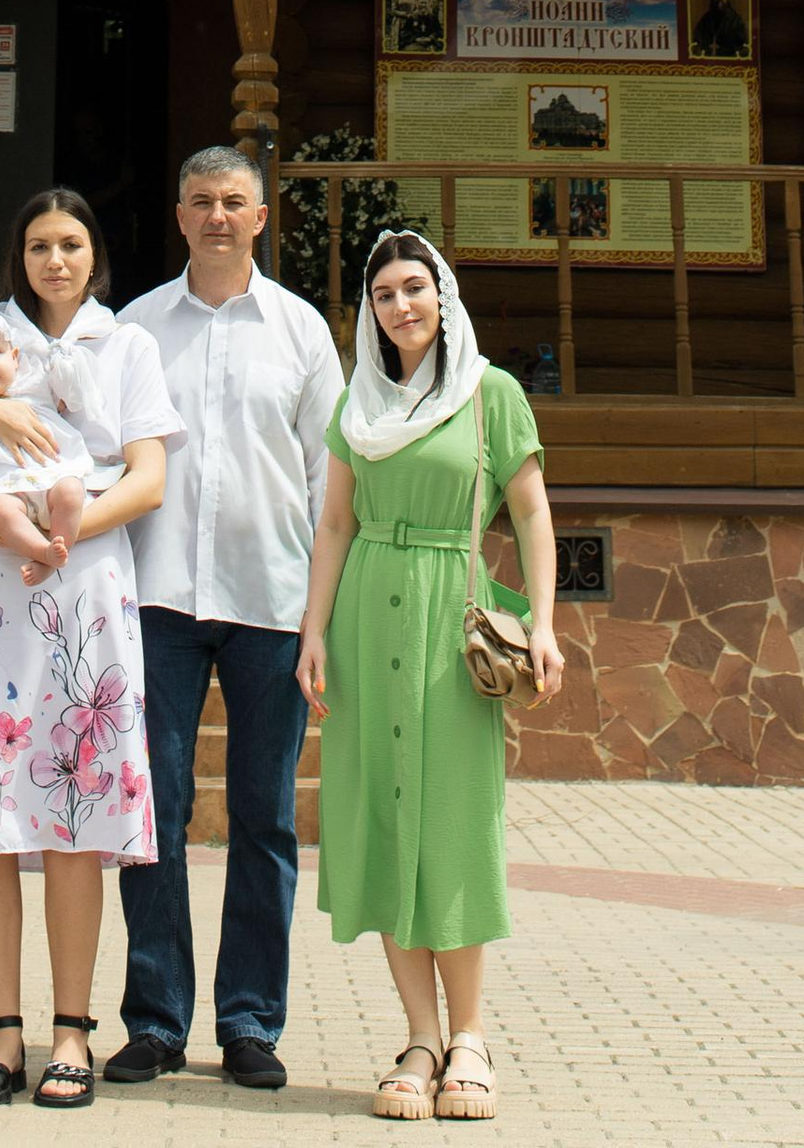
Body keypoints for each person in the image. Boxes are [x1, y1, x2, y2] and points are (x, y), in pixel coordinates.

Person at [0, 187, 181, 1110]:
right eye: (38, 246)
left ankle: (72, 1030)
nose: (54, 261)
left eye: (70, 244)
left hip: (85, 583)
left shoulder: (128, 344)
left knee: (76, 809)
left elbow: (148, 479)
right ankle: (1, 1031)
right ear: (19, 258)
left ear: (93, 254)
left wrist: (64, 536)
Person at [296, 229, 563, 1126]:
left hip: (453, 619)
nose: (400, 306)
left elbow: (533, 515)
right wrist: (313, 630)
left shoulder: (492, 395)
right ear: (369, 312)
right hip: (366, 619)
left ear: (442, 298)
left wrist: (545, 624)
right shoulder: (358, 403)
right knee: (381, 822)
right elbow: (336, 525)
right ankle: (419, 1038)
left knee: (452, 824)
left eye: (415, 288)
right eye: (384, 295)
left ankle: (471, 1036)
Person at [109, 142, 343, 1093]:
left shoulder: (302, 331)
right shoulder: (134, 330)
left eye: (233, 201)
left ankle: (250, 1022)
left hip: (271, 604)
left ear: (259, 217)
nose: (217, 215)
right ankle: (157, 1020)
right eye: (201, 200)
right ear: (179, 216)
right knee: (153, 813)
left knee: (265, 819)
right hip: (155, 600)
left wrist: (321, 619)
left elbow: (330, 483)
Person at [0, 311, 106, 582]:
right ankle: (42, 552)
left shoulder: (35, 381)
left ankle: (55, 553)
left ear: (15, 356)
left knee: (71, 491)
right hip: (5, 485)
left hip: (50, 473)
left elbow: (67, 399)